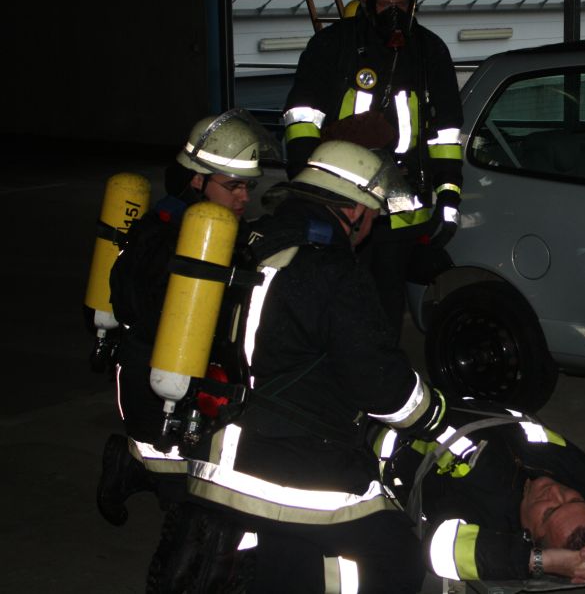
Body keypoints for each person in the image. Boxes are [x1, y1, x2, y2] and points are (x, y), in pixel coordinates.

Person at [184, 139, 449, 594]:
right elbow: (381, 385)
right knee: (400, 561)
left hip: (214, 457)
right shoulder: (333, 271)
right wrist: (432, 414)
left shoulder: (252, 240)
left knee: (278, 564)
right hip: (286, 471)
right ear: (353, 210)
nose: (370, 228)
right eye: (372, 215)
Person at [95, 109, 266, 590]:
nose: (243, 197)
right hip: (151, 372)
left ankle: (135, 469)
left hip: (185, 370)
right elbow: (133, 300)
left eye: (248, 187)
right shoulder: (163, 235)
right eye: (233, 186)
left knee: (185, 473)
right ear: (197, 180)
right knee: (181, 491)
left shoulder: (211, 231)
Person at [282, 0, 464, 338]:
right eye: (385, 3)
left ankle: (381, 370)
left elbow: (446, 134)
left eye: (402, 2)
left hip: (402, 215)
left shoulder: (430, 52)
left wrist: (449, 196)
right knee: (334, 301)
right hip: (341, 207)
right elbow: (301, 120)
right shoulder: (332, 47)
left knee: (385, 308)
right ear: (366, 1)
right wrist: (312, 192)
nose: (394, 13)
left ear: (414, 2)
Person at [375, 399, 585, 585]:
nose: (554, 493)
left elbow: (440, 550)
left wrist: (538, 561)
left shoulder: (490, 516)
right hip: (469, 399)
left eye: (549, 512)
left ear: (529, 536)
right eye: (573, 498)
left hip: (386, 423)